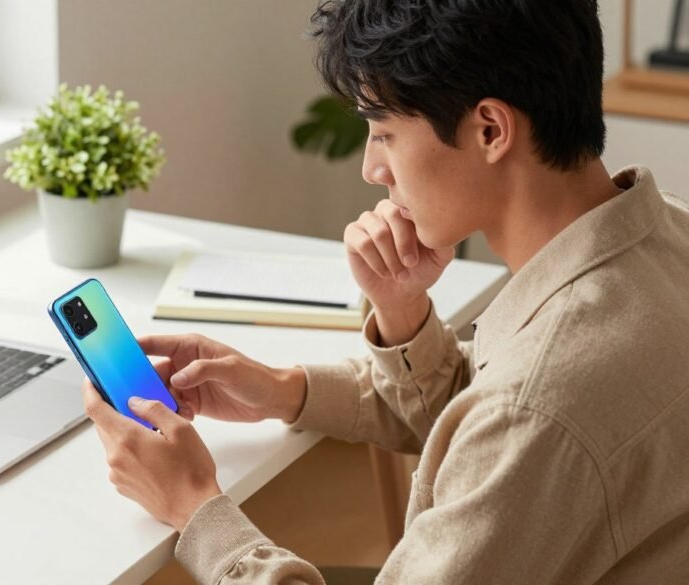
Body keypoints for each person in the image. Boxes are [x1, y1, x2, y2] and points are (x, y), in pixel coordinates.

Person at [81, 0, 689, 583]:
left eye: (384, 131)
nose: (372, 167)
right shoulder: (667, 229)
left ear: (489, 129)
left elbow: (521, 422)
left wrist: (194, 506)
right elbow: (494, 430)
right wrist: (289, 388)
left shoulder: (538, 407)